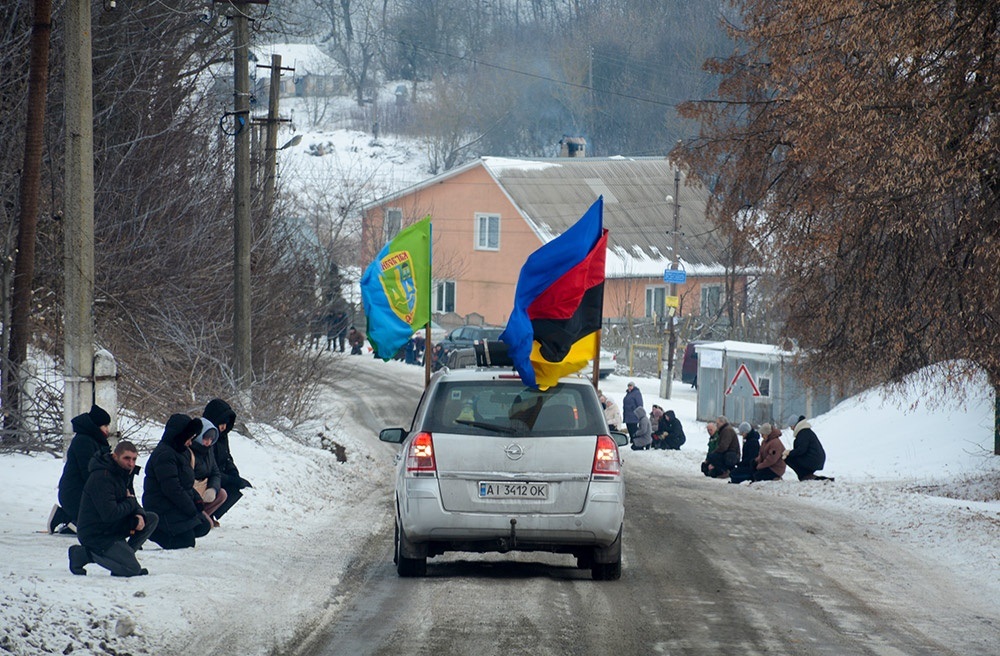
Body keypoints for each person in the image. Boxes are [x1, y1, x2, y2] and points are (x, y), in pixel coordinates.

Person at [69, 441, 158, 577]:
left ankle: (123, 557)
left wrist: (139, 515)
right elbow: (110, 513)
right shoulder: (102, 477)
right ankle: (83, 554)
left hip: (112, 527)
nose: (131, 463)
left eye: (134, 459)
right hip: (97, 533)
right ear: (115, 456)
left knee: (150, 518)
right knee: (132, 570)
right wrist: (131, 503)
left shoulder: (122, 473)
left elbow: (132, 501)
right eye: (127, 458)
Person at [143, 414, 212, 550]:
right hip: (162, 505)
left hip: (174, 504)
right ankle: (154, 530)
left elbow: (186, 484)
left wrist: (197, 500)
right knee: (186, 543)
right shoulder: (164, 454)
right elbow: (172, 489)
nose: (190, 443)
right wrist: (191, 510)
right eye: (188, 438)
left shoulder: (181, 452)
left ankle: (174, 530)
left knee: (203, 526)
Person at [50, 404, 113, 534]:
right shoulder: (84, 441)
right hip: (75, 494)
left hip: (81, 493)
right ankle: (65, 517)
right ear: (96, 426)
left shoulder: (94, 441)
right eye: (105, 426)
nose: (108, 430)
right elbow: (88, 472)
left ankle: (71, 520)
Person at [203, 398, 251, 522]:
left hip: (219, 474)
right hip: (208, 476)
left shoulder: (222, 437)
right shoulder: (205, 437)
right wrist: (231, 479)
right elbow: (208, 467)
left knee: (234, 487)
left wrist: (234, 473)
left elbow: (227, 457)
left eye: (226, 423)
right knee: (225, 486)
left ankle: (211, 513)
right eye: (221, 422)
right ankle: (204, 513)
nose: (224, 427)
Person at [190, 418, 228, 527]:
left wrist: (213, 488)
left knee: (222, 494)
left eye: (211, 439)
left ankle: (202, 516)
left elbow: (215, 472)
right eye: (206, 438)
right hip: (192, 491)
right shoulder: (189, 451)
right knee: (208, 525)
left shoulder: (208, 451)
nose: (208, 442)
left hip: (203, 488)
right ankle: (197, 518)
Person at [783, 415, 834, 481]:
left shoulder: (803, 433)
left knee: (788, 458)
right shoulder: (805, 432)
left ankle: (805, 475)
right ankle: (806, 475)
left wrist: (789, 453)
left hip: (813, 460)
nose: (791, 429)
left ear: (795, 425)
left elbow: (801, 450)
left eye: (791, 426)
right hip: (815, 459)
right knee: (791, 457)